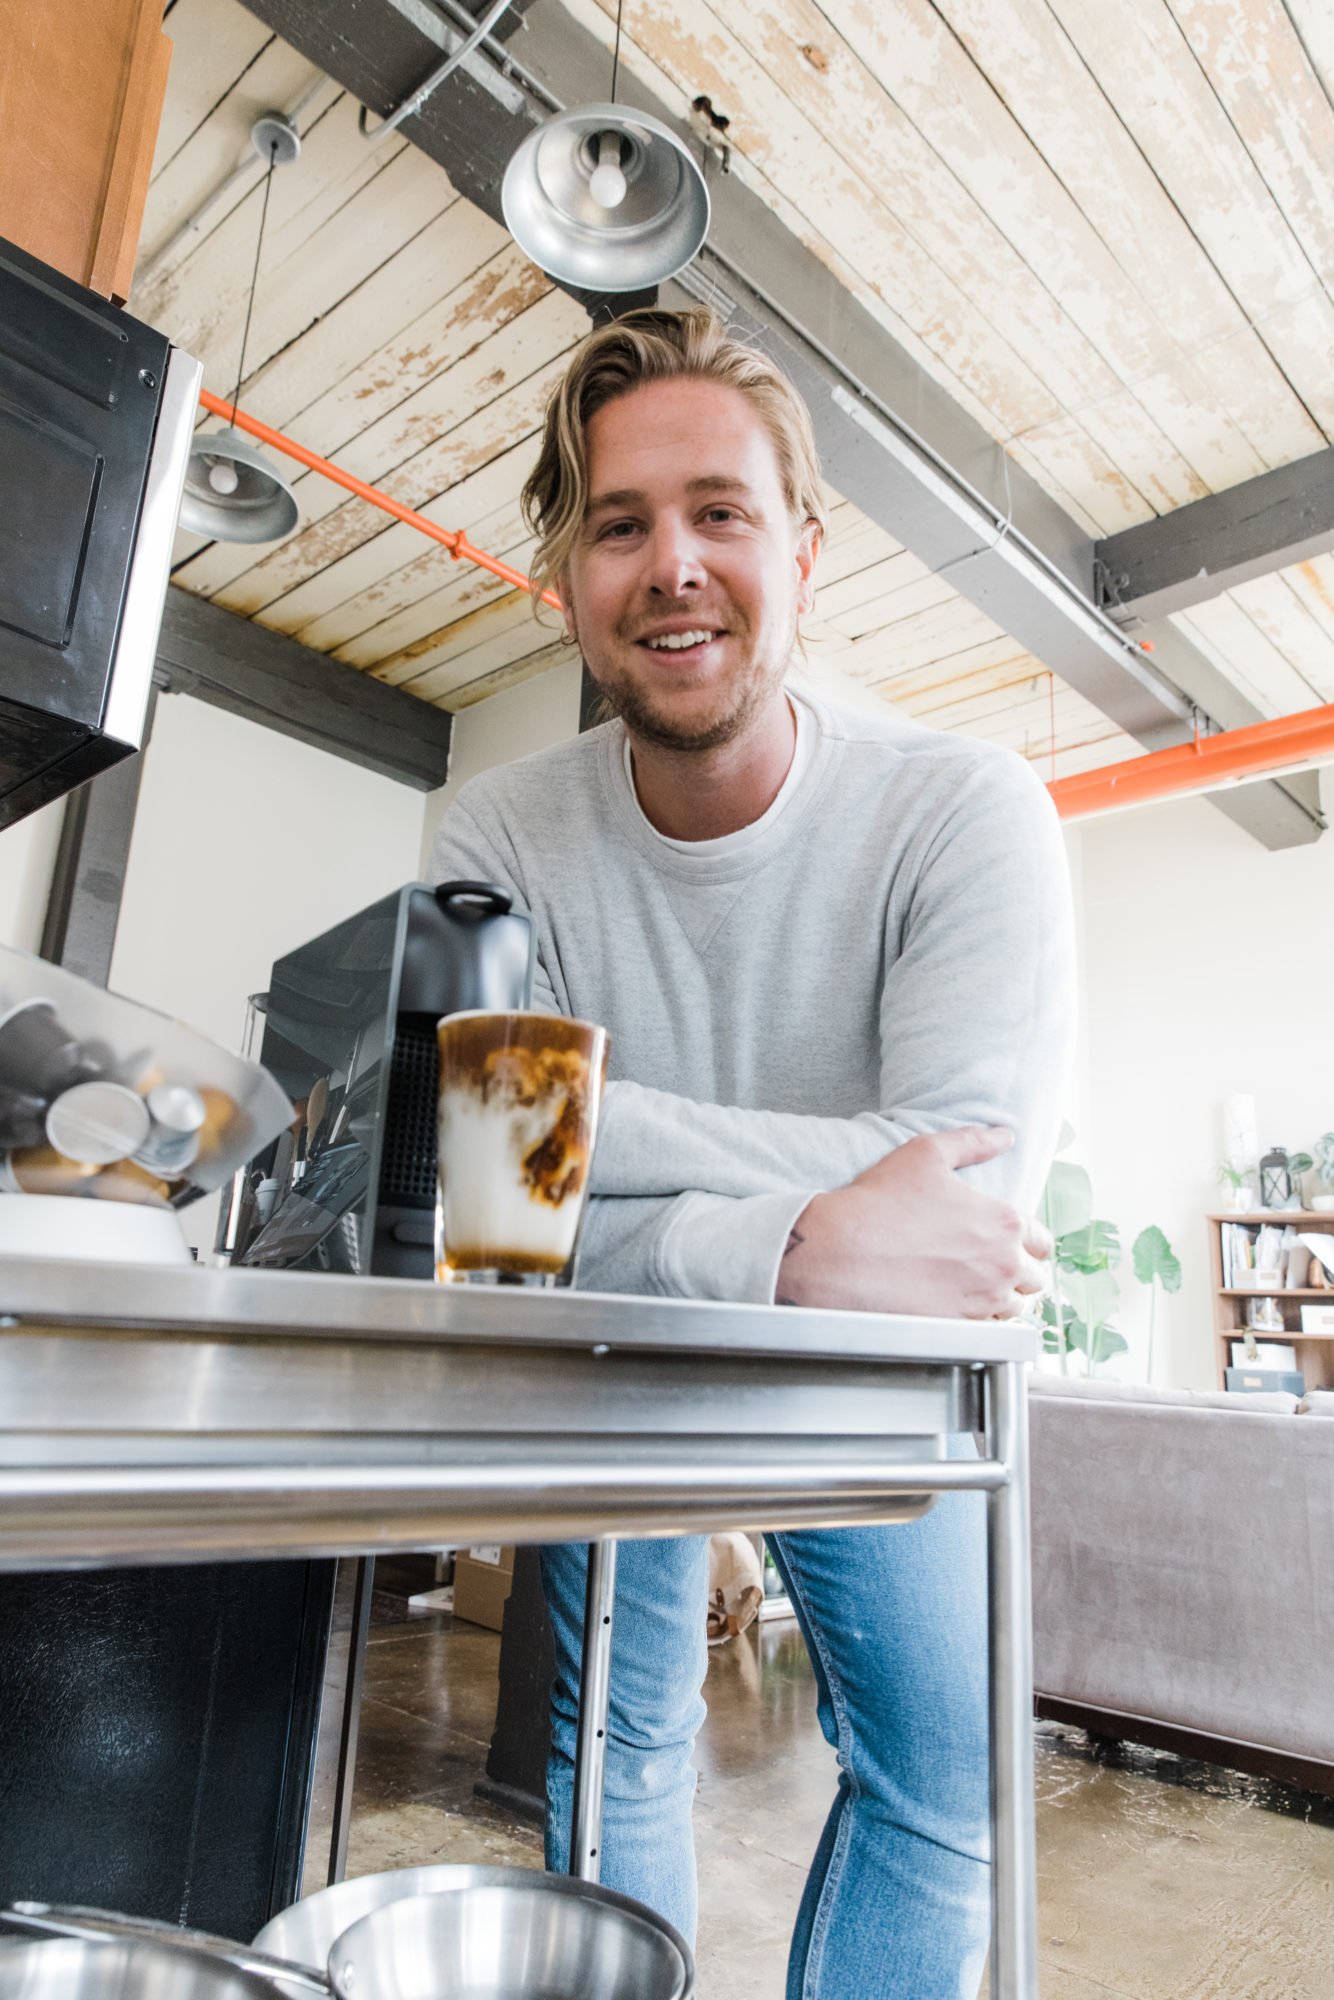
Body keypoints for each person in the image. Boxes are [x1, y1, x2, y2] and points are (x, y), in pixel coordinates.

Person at [430, 306, 1074, 1999]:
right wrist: (791, 1237)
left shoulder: (962, 808)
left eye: (718, 511)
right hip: (625, 1358)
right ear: (561, 585)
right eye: (619, 524)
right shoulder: (497, 829)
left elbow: (954, 1206)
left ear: (801, 547)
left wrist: (604, 1142)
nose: (673, 565)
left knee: (944, 1797)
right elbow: (495, 1202)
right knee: (604, 1753)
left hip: (892, 1375)